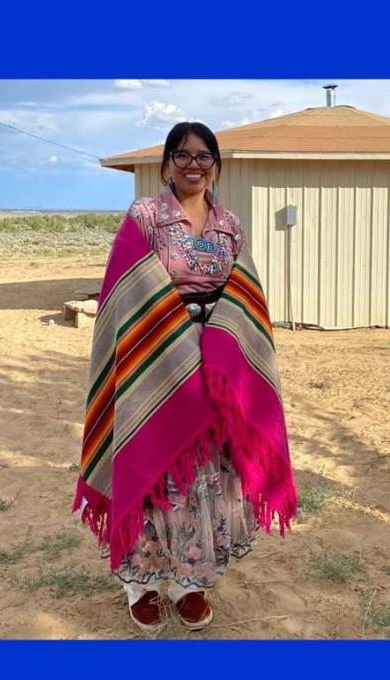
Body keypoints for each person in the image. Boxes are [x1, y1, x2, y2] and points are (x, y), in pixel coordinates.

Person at [73, 121, 298, 633]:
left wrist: (222, 343)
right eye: (183, 155)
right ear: (167, 163)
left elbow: (246, 292)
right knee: (156, 468)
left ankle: (191, 583)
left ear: (216, 165)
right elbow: (126, 289)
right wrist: (177, 343)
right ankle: (143, 584)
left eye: (203, 156)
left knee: (210, 477)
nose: (193, 165)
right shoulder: (146, 217)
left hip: (218, 368)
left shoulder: (230, 226)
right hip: (156, 362)